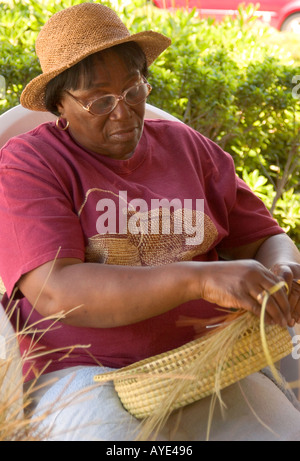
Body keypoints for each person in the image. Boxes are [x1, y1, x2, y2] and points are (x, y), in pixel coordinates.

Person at [0, 2, 300, 441]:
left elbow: (264, 237)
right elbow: (57, 290)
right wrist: (198, 280)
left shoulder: (188, 148)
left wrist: (283, 270)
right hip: (82, 375)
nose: (122, 113)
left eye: (134, 91)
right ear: (58, 105)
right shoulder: (29, 164)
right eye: (99, 101)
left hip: (203, 362)